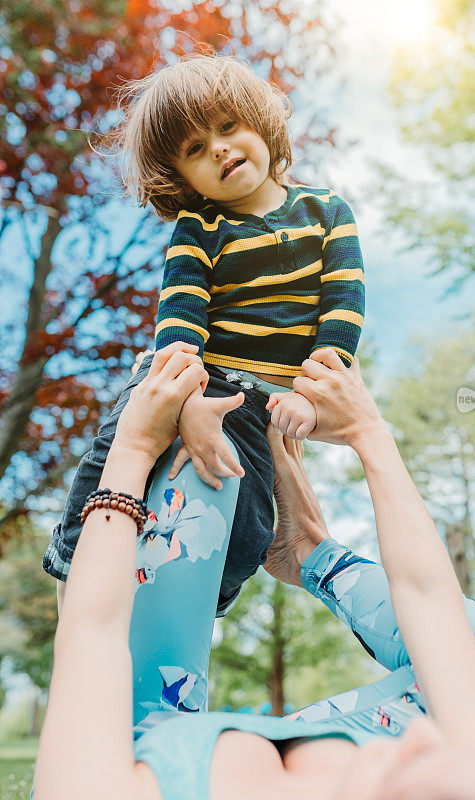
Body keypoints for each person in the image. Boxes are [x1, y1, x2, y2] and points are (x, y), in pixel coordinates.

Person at [33, 343, 475, 800]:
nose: (423, 740)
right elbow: (428, 598)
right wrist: (367, 431)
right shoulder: (464, 759)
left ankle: (279, 526)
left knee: (199, 461)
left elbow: (92, 633)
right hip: (345, 740)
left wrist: (133, 445)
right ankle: (308, 550)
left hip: (149, 721)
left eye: (414, 778)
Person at [42, 50, 365, 620]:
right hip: (192, 372)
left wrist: (310, 398)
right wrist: (187, 397)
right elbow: (180, 320)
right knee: (113, 457)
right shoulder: (200, 229)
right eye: (194, 149)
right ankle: (75, 573)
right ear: (182, 178)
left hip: (259, 402)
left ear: (260, 122)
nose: (217, 147)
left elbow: (341, 313)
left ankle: (181, 605)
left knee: (247, 530)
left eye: (227, 126)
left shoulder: (326, 213)